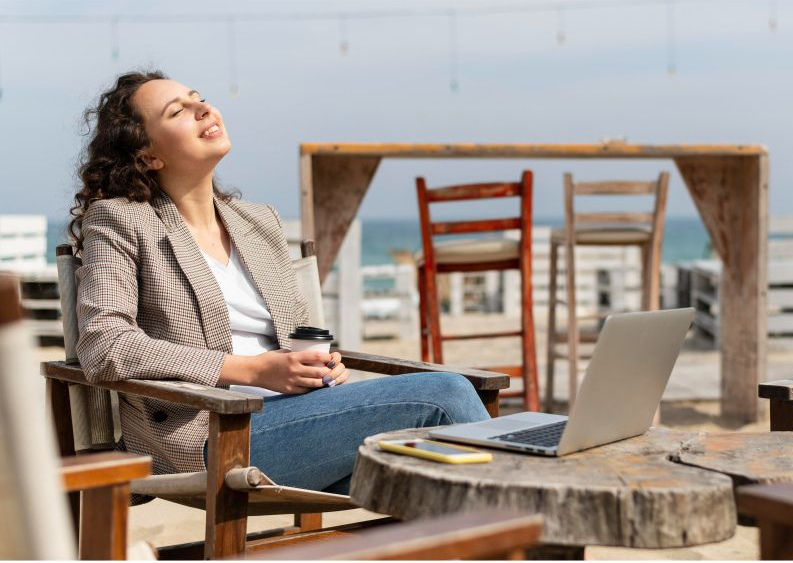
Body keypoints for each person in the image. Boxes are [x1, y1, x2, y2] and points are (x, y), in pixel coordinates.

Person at [69, 70, 489, 494]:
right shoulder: (121, 220)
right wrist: (253, 370)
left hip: (301, 417)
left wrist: (322, 366)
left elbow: (298, 337)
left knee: (435, 472)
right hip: (211, 435)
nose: (202, 108)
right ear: (147, 157)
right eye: (178, 110)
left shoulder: (258, 221)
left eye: (198, 98)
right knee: (447, 395)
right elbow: (105, 345)